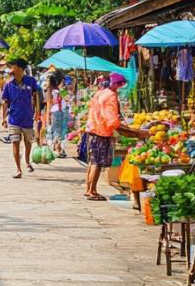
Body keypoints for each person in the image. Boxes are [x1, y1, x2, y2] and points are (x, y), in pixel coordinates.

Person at [82, 72, 148, 201]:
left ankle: (89, 189)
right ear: (116, 84)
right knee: (97, 162)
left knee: (92, 161)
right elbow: (112, 120)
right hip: (101, 131)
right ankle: (92, 191)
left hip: (92, 129)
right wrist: (134, 132)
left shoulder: (100, 93)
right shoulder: (110, 96)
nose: (119, 89)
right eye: (120, 86)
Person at [0, 58, 41, 179]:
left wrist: (38, 112)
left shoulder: (31, 81)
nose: (10, 69)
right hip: (14, 118)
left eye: (13, 66)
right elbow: (5, 102)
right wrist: (3, 118)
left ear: (20, 68)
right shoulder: (8, 85)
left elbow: (36, 96)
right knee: (15, 143)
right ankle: (18, 169)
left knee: (28, 142)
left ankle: (27, 161)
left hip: (28, 118)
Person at [44, 72, 70, 158]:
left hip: (56, 112)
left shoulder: (51, 90)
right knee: (59, 131)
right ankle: (58, 149)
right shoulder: (57, 90)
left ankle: (58, 149)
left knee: (56, 131)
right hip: (60, 111)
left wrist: (48, 116)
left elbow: (49, 104)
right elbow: (54, 102)